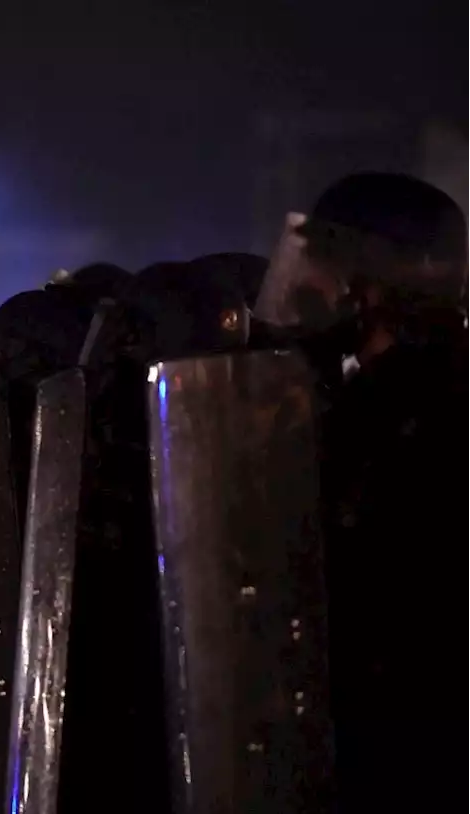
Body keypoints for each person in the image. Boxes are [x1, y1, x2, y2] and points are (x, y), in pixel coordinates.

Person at [257, 172, 470, 810]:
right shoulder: (381, 394)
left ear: (373, 284)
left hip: (401, 749)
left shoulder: (403, 408)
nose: (303, 288)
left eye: (323, 264)